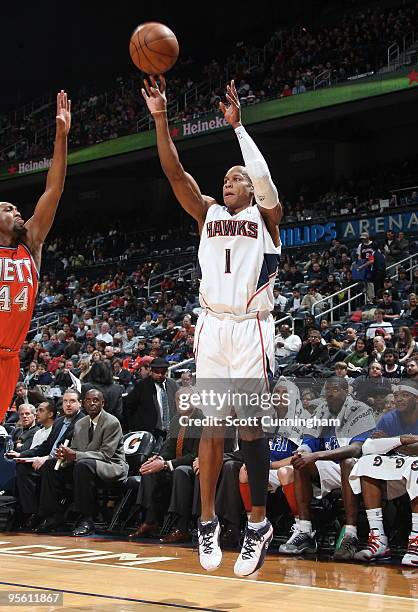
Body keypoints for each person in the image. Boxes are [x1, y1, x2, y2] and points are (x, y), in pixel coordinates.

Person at [142, 76, 282, 576]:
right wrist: (161, 119)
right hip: (211, 327)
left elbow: (264, 180)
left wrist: (239, 130)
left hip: (251, 327)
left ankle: (258, 525)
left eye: (236, 177)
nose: (229, 180)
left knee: (250, 426)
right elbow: (174, 171)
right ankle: (207, 523)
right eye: (225, 177)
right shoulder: (207, 212)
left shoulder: (268, 219)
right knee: (210, 428)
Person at [0, 91, 71, 422]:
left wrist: (61, 136)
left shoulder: (30, 244)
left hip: (10, 358)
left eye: (16, 208)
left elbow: (53, 190)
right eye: (7, 209)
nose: (16, 212)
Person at [36, 389, 128, 536]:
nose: (92, 403)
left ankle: (87, 519)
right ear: (84, 403)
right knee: (50, 465)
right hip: (84, 464)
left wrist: (75, 455)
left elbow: (105, 454)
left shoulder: (112, 422)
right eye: (88, 400)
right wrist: (64, 456)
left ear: (102, 403)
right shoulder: (80, 424)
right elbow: (74, 449)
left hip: (111, 465)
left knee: (82, 465)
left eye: (96, 400)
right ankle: (55, 515)